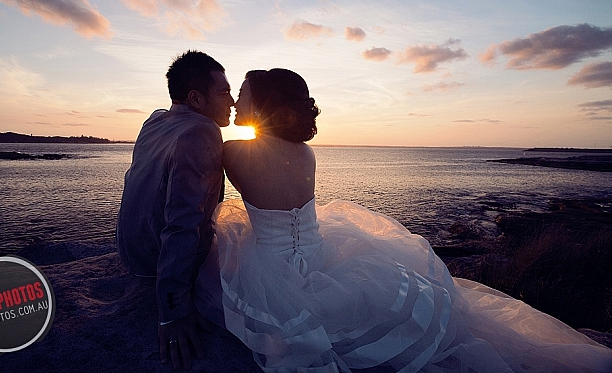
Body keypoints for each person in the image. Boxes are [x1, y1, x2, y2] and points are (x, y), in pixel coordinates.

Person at [197, 68, 612, 372]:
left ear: (262, 103)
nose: (235, 102)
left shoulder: (233, 151)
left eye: (243, 94)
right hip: (319, 254)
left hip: (274, 270)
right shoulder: (305, 153)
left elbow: (216, 198)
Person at [116, 50, 233, 370]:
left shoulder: (154, 120)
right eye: (224, 93)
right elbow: (182, 223)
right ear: (196, 98)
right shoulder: (202, 131)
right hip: (158, 263)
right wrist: (173, 311)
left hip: (132, 254)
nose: (233, 101)